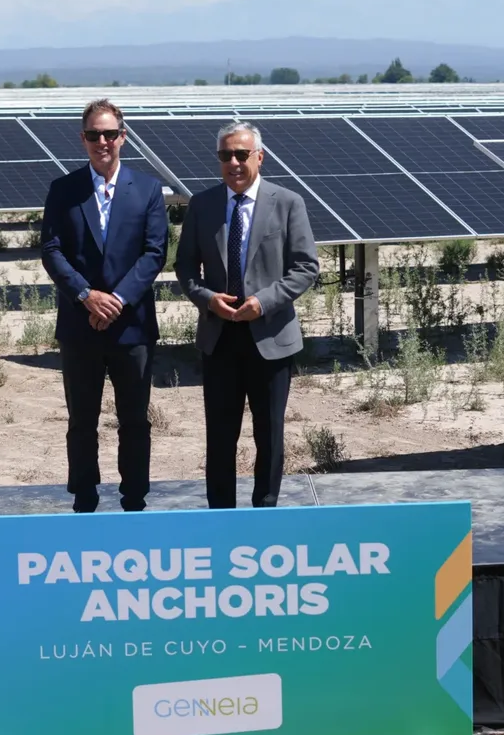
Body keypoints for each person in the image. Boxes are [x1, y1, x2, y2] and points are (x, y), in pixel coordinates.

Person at [174, 121, 320, 509]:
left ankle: (265, 513)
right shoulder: (202, 205)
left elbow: (305, 267)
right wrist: (206, 299)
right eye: (226, 156)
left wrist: (264, 301)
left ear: (260, 156)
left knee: (269, 434)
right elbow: (185, 267)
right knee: (220, 435)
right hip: (219, 337)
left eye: (242, 154)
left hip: (270, 337)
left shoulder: (288, 202)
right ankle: (221, 515)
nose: (234, 163)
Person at [40, 98, 168, 513]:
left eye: (109, 134)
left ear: (123, 138)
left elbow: (154, 253)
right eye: (94, 134)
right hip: (81, 325)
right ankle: (85, 496)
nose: (102, 142)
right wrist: (86, 296)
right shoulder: (63, 190)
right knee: (82, 421)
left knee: (134, 420)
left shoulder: (147, 189)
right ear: (83, 139)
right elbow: (52, 250)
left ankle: (135, 497)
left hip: (131, 327)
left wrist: (116, 299)